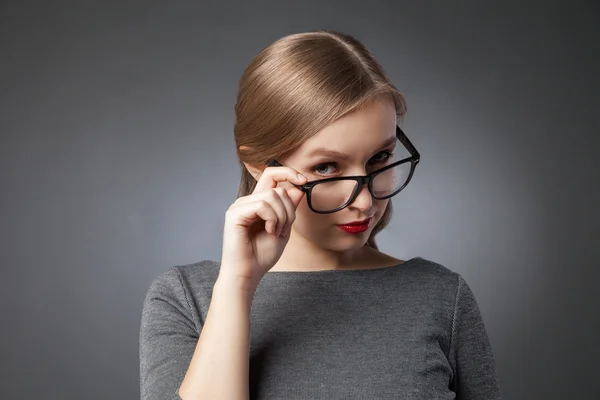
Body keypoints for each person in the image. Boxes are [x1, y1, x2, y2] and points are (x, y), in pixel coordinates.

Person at [139, 30, 501, 400]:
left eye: (380, 158)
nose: (363, 201)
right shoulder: (185, 299)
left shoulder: (441, 296)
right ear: (259, 167)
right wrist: (238, 284)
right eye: (327, 168)